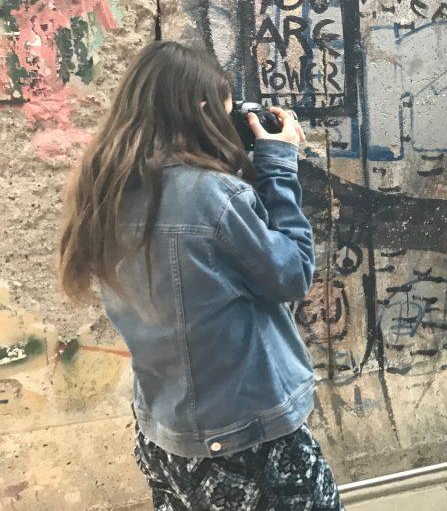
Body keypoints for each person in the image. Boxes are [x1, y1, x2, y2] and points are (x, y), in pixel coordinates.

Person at [58, 41, 341, 510]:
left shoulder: (104, 188)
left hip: (163, 436)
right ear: (203, 110)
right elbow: (291, 274)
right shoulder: (214, 198)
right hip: (246, 441)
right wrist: (278, 165)